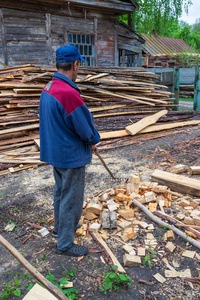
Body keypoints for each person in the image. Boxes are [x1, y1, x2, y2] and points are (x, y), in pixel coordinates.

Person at [39, 45, 100, 257]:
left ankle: (59, 230)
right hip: (70, 154)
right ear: (75, 64)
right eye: (79, 65)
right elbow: (84, 127)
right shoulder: (68, 93)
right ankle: (65, 243)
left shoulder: (48, 87)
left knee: (60, 193)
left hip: (56, 152)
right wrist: (93, 140)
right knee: (71, 199)